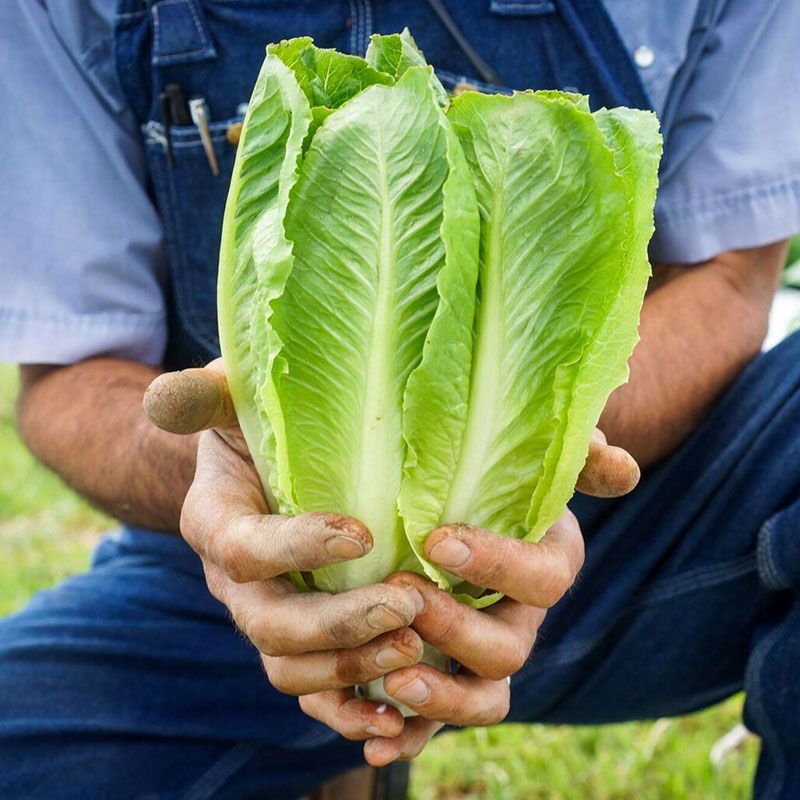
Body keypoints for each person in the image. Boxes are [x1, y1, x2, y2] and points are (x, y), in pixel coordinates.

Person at [1, 0, 799, 798]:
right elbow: (70, 372)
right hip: (238, 575)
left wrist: (540, 451)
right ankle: (334, 762)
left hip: (628, 532)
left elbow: (730, 278)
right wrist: (241, 481)